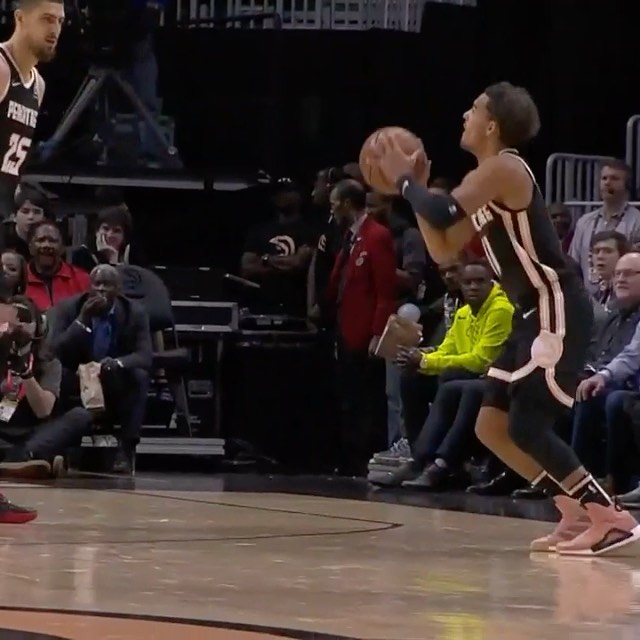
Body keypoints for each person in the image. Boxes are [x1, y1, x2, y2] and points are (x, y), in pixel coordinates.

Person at [372, 81, 639, 556]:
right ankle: (574, 512)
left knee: (527, 426)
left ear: (492, 125)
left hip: (555, 304)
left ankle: (610, 517)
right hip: (528, 313)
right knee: (491, 426)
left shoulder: (505, 167)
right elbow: (444, 247)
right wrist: (417, 195)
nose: (465, 116)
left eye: (473, 109)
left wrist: (407, 182)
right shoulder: (484, 178)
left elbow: (443, 209)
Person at [0, 0, 64, 522]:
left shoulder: (37, 85)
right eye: (47, 18)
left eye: (61, 21)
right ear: (20, 17)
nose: (56, 29)